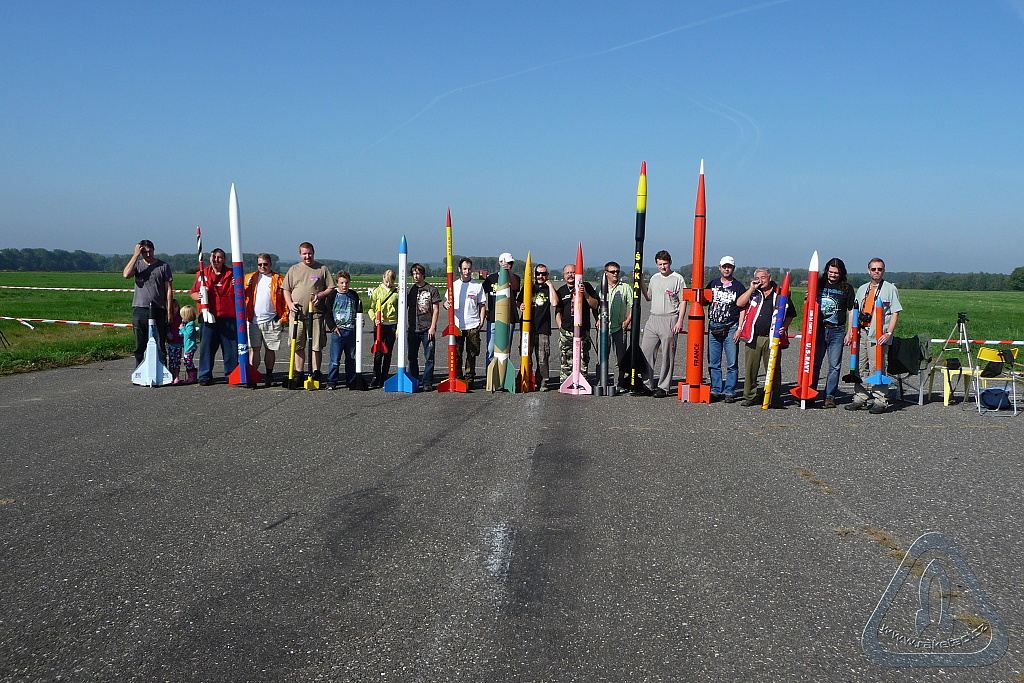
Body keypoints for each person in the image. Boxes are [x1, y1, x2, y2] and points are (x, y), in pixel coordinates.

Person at [846, 258, 903, 414]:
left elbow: (895, 312)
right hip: (861, 333)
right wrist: (850, 331)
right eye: (873, 269)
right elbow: (854, 311)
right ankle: (860, 397)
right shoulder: (862, 289)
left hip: (878, 335)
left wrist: (888, 333)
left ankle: (880, 400)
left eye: (879, 269)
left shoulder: (890, 289)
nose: (876, 271)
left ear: (883, 270)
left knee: (877, 367)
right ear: (868, 270)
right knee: (859, 366)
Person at [736, 268, 796, 407]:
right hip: (753, 337)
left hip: (772, 337)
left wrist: (784, 327)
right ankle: (750, 396)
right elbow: (739, 303)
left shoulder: (780, 293)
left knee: (773, 369)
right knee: (751, 368)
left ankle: (774, 397)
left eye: (763, 277)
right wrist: (751, 288)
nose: (760, 281)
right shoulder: (753, 293)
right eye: (757, 278)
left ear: (769, 278)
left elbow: (791, 314)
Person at [282, 242, 333, 386]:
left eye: (309, 253)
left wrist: (320, 295)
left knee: (316, 345)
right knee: (297, 345)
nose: (307, 256)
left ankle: (316, 373)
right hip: (297, 315)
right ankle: (299, 373)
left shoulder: (322, 269)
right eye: (304, 254)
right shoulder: (293, 269)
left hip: (315, 314)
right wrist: (290, 303)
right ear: (300, 254)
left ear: (313, 253)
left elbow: (330, 287)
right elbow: (286, 289)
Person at [639, 250, 687, 398]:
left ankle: (663, 387)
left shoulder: (678, 279)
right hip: (653, 318)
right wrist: (641, 281)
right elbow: (648, 297)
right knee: (646, 351)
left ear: (670, 263)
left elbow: (683, 301)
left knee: (667, 355)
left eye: (665, 264)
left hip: (670, 318)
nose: (662, 267)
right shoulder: (654, 278)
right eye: (660, 264)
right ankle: (646, 384)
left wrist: (680, 320)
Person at [189, 248, 236, 385]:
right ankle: (204, 375)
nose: (216, 260)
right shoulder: (202, 274)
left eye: (219, 257)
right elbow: (193, 293)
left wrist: (238, 284)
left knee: (230, 349)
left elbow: (242, 291)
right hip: (208, 317)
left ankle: (231, 374)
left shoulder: (232, 274)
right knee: (207, 348)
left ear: (224, 259)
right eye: (214, 257)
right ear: (210, 259)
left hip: (228, 317)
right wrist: (198, 296)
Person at [122, 239, 173, 368]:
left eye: (150, 251)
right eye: (144, 252)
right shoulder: (138, 265)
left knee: (160, 344)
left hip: (158, 309)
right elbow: (126, 274)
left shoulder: (163, 266)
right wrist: (135, 255)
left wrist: (169, 311)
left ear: (154, 250)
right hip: (140, 309)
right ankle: (139, 369)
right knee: (140, 344)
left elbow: (168, 289)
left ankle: (162, 369)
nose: (148, 254)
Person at [813, 257, 855, 409]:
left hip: (837, 331)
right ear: (827, 271)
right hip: (818, 330)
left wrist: (849, 332)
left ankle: (829, 396)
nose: (833, 275)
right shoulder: (818, 283)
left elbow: (851, 310)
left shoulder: (847, 288)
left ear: (841, 273)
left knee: (835, 366)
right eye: (831, 272)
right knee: (814, 364)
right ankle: (810, 393)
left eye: (836, 273)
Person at [243, 253, 289, 387]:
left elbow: (285, 300)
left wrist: (283, 318)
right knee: (254, 349)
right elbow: (240, 293)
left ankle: (269, 375)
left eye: (265, 264)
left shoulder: (279, 279)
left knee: (270, 349)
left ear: (270, 264)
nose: (262, 266)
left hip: (272, 320)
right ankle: (253, 376)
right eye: (260, 264)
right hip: (253, 320)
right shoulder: (249, 278)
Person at [707, 256, 745, 402]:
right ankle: (716, 389)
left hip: (731, 328)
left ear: (733, 268)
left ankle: (730, 391)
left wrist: (739, 328)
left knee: (732, 362)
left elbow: (742, 308)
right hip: (714, 327)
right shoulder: (713, 284)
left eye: (729, 267)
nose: (726, 269)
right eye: (724, 266)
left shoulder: (739, 287)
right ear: (720, 268)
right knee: (714, 362)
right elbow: (704, 300)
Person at [444, 257, 487, 387]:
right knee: (457, 353)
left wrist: (481, 321)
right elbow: (446, 302)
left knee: (472, 353)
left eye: (469, 269)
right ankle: (458, 377)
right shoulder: (453, 285)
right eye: (464, 269)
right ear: (459, 269)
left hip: (473, 325)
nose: (467, 271)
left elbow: (482, 305)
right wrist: (446, 305)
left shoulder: (477, 286)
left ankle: (469, 378)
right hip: (457, 325)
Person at [555, 261, 599, 384]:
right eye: (568, 273)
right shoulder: (561, 291)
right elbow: (557, 312)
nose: (570, 275)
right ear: (564, 275)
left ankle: (581, 382)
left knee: (583, 359)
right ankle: (565, 383)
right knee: (565, 359)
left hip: (583, 331)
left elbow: (595, 305)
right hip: (566, 332)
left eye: (573, 272)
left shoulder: (587, 287)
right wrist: (561, 328)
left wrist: (584, 293)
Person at [521, 262, 559, 390]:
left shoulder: (549, 289)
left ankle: (543, 381)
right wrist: (520, 306)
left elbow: (554, 303)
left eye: (543, 274)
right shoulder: (528, 287)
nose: (540, 276)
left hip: (543, 328)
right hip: (527, 328)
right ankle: (526, 380)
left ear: (547, 275)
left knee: (543, 358)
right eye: (538, 274)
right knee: (526, 356)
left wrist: (551, 286)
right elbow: (519, 302)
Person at [324, 271, 362, 390]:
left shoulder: (353, 295)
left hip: (351, 331)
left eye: (346, 283)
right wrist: (333, 327)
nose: (344, 285)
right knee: (335, 360)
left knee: (351, 358)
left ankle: (351, 380)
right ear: (337, 283)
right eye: (342, 283)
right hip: (338, 331)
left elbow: (358, 310)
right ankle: (331, 381)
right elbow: (327, 313)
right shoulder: (332, 295)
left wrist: (359, 322)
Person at [407, 263, 441, 391]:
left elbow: (436, 309)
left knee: (429, 357)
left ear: (423, 274)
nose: (416, 276)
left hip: (427, 328)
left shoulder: (431, 289)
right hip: (412, 329)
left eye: (418, 273)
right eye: (414, 274)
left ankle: (427, 382)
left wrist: (433, 326)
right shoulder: (410, 291)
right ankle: (414, 379)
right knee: (412, 357)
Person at [483, 252, 522, 366]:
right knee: (490, 350)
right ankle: (490, 375)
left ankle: (504, 374)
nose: (508, 265)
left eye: (511, 263)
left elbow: (515, 286)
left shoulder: (515, 278)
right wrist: (483, 309)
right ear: (500, 263)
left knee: (505, 350)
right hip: (493, 319)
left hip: (509, 319)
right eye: (506, 263)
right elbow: (480, 294)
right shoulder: (491, 279)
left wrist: (508, 273)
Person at [367, 269, 398, 388]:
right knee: (378, 353)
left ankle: (385, 377)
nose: (388, 284)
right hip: (379, 325)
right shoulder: (377, 291)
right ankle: (376, 376)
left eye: (391, 281)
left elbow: (401, 309)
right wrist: (374, 318)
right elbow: (371, 308)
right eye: (386, 281)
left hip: (392, 325)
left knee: (388, 352)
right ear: (383, 278)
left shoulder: (396, 293)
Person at [603, 261, 633, 381]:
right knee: (602, 357)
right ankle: (602, 381)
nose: (615, 273)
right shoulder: (600, 287)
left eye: (617, 271)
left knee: (620, 358)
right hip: (604, 329)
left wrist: (627, 321)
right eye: (612, 271)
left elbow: (633, 305)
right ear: (606, 273)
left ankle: (619, 382)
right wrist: (597, 319)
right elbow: (595, 305)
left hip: (619, 328)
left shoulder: (625, 287)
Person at [179, 304, 199, 385]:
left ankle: (192, 377)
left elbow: (188, 334)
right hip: (187, 346)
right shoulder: (188, 325)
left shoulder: (190, 325)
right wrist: (182, 330)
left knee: (188, 362)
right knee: (187, 361)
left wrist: (182, 329)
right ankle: (190, 377)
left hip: (190, 347)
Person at [166, 299, 183, 384]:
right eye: (172, 307)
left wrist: (182, 328)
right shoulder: (168, 318)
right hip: (171, 343)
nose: (174, 309)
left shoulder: (181, 318)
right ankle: (171, 376)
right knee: (171, 361)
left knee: (177, 361)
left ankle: (176, 376)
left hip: (179, 342)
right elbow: (166, 327)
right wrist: (168, 333)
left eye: (176, 306)